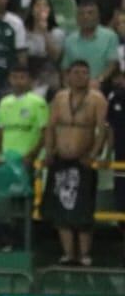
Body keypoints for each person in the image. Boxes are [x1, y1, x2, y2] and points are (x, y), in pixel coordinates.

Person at [43, 61, 110, 266]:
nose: (81, 76)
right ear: (68, 75)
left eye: (85, 73)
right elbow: (51, 127)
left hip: (83, 161)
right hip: (61, 159)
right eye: (77, 72)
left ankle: (85, 254)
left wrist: (94, 154)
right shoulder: (60, 98)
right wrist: (49, 151)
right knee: (61, 210)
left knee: (83, 211)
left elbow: (103, 130)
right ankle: (68, 254)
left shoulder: (97, 99)